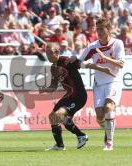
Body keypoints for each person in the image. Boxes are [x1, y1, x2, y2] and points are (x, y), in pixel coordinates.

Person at [41, 42, 115, 151]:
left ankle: (81, 136)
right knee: (53, 117)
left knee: (60, 115)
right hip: (69, 96)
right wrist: (44, 89)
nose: (48, 55)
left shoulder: (66, 61)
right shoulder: (53, 68)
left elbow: (85, 64)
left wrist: (103, 69)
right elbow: (53, 86)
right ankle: (59, 145)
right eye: (46, 53)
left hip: (78, 96)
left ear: (57, 52)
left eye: (50, 53)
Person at [67, 18, 125, 151]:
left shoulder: (117, 43)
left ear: (108, 29)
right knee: (100, 115)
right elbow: (80, 62)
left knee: (109, 107)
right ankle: (108, 129)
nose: (98, 31)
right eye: (97, 29)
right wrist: (74, 59)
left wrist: (106, 59)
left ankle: (109, 142)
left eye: (101, 29)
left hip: (114, 81)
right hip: (99, 84)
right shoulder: (93, 46)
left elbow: (121, 64)